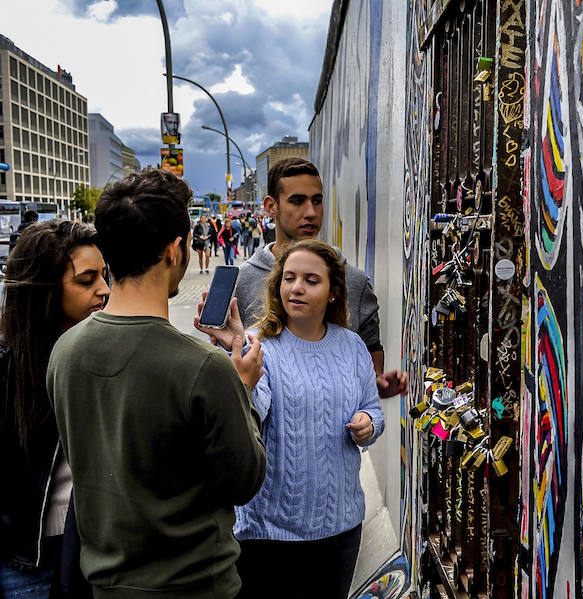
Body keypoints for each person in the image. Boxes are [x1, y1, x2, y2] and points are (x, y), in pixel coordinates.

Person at [46, 168, 267, 598]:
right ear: (174, 249)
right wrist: (243, 386)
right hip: (196, 586)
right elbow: (244, 480)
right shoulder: (204, 368)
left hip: (105, 584)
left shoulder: (65, 351)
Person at [198, 239, 384, 598]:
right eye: (289, 278)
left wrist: (368, 423)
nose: (296, 288)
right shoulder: (257, 344)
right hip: (268, 535)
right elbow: (250, 418)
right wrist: (241, 376)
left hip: (340, 528)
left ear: (333, 292)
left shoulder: (352, 346)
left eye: (311, 280)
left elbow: (374, 411)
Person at [233, 158, 408, 398]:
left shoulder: (353, 281)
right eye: (297, 201)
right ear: (271, 206)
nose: (311, 212)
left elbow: (370, 363)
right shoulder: (242, 281)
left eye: (317, 201)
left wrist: (378, 386)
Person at [0, 220, 108, 598]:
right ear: (46, 289)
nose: (104, 290)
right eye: (87, 279)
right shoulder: (9, 365)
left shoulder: (103, 353)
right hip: (25, 565)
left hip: (93, 557)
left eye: (105, 275)